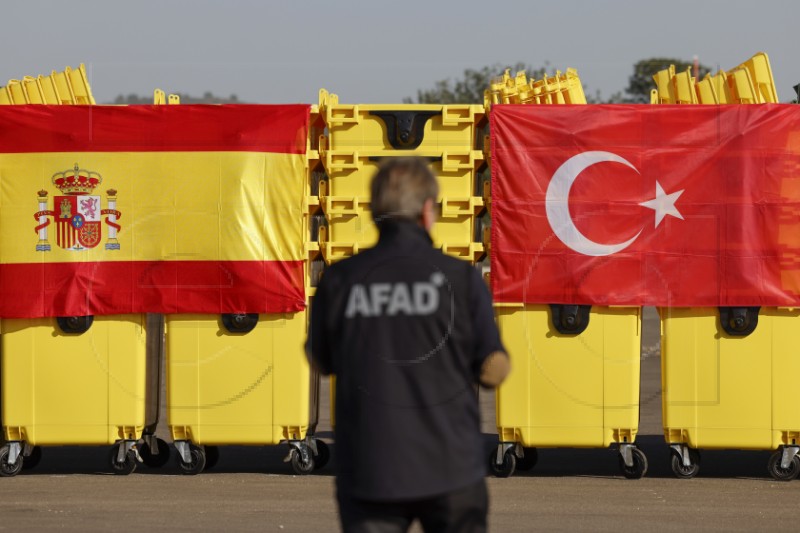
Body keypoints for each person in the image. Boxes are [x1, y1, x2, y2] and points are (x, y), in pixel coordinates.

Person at [306, 158, 510, 533]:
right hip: (449, 466)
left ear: (373, 211)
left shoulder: (340, 281)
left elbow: (320, 359)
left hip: (371, 467)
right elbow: (492, 369)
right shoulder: (460, 279)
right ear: (428, 211)